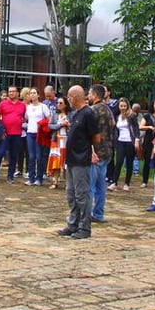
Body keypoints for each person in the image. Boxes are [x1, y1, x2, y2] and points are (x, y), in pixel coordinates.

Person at [56, 85, 99, 240]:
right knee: (71, 194)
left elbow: (96, 137)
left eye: (69, 96)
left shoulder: (88, 113)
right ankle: (73, 223)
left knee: (82, 194)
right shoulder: (75, 114)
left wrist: (90, 151)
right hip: (71, 159)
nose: (68, 100)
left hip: (82, 159)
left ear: (75, 97)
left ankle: (85, 226)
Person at [88, 84, 116, 223]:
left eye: (89, 93)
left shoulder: (92, 110)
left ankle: (86, 213)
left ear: (94, 95)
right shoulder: (108, 110)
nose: (88, 96)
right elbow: (113, 125)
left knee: (90, 186)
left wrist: (91, 150)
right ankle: (98, 214)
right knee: (100, 185)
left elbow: (90, 132)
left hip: (96, 152)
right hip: (107, 151)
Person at [0, 85, 26, 184]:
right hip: (5, 134)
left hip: (17, 134)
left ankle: (10, 176)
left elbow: (23, 117)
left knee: (14, 155)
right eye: (10, 91)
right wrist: (1, 130)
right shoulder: (2, 104)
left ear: (17, 93)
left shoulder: (22, 105)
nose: (11, 93)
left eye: (13, 91)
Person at [109, 98, 140, 191]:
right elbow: (115, 129)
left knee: (129, 162)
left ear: (127, 106)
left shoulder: (131, 116)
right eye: (121, 106)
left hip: (130, 141)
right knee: (118, 162)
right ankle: (114, 182)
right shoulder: (118, 116)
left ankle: (127, 183)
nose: (123, 108)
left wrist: (137, 140)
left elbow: (136, 128)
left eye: (124, 106)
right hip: (120, 141)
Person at [23, 88, 50, 186]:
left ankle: (39, 177)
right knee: (31, 156)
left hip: (39, 134)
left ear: (38, 95)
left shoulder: (43, 107)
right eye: (31, 93)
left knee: (39, 156)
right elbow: (26, 118)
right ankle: (31, 177)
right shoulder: (28, 107)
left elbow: (48, 119)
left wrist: (41, 124)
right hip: (30, 133)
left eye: (34, 93)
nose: (33, 95)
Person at [138, 99, 155, 188]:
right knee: (147, 161)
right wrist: (149, 127)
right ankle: (145, 181)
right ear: (152, 106)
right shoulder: (147, 116)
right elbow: (141, 127)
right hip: (149, 140)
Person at [48, 96, 70, 189]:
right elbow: (50, 126)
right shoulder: (55, 114)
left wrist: (68, 125)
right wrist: (60, 124)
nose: (58, 105)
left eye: (61, 103)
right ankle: (55, 181)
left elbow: (74, 125)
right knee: (56, 161)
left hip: (67, 140)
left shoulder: (70, 114)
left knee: (66, 161)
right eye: (57, 103)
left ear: (65, 104)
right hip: (56, 140)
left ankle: (67, 182)